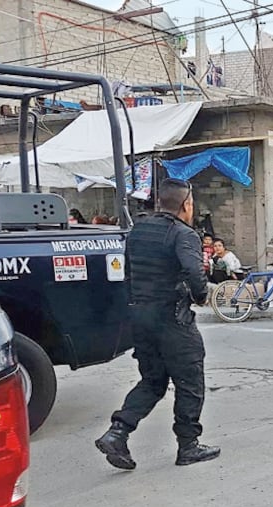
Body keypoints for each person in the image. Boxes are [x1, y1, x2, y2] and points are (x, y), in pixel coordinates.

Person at [94, 178, 220, 469]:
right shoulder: (183, 234)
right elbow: (193, 271)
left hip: (141, 318)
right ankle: (188, 445)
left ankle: (118, 432)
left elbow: (127, 273)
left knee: (152, 381)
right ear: (186, 205)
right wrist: (200, 295)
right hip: (172, 319)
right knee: (190, 382)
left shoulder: (138, 230)